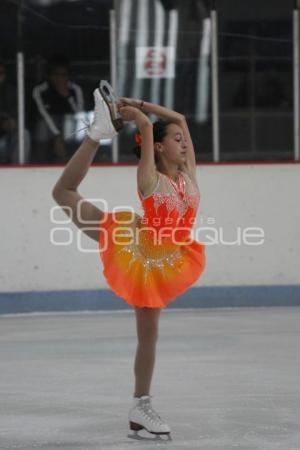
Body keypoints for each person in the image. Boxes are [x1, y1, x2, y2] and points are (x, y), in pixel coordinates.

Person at [52, 81, 206, 437]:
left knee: (149, 336)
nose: (184, 142)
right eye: (177, 140)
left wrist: (137, 101)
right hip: (136, 250)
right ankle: (95, 135)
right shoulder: (149, 178)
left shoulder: (189, 175)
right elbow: (150, 126)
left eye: (184, 140)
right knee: (63, 192)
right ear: (157, 147)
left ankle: (140, 406)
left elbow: (179, 117)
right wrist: (136, 116)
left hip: (168, 259)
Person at [32, 55, 84, 163]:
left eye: (63, 75)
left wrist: (67, 96)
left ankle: (76, 162)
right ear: (49, 75)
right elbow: (43, 114)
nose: (59, 78)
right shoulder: (40, 90)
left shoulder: (75, 90)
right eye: (55, 74)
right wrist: (57, 135)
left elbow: (79, 115)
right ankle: (40, 162)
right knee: (42, 127)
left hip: (69, 124)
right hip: (49, 125)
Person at [0, 60, 30, 163]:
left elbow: (19, 115)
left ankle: (18, 171)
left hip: (8, 134)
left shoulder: (12, 92)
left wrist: (13, 122)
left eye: (1, 73)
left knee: (23, 134)